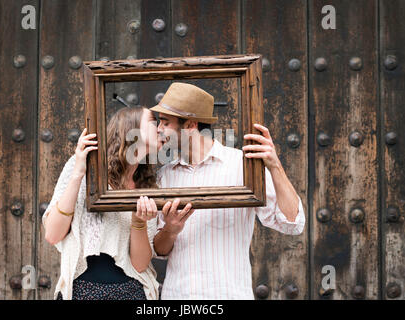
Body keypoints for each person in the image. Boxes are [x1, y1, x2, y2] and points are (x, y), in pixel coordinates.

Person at [151, 82, 306, 299]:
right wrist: (170, 229)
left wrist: (274, 165)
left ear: (190, 125)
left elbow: (293, 223)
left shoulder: (243, 166)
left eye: (165, 122)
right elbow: (159, 250)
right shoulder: (164, 175)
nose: (158, 129)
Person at [42, 106, 174, 300]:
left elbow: (139, 264)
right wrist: (78, 174)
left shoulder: (148, 185)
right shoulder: (85, 168)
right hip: (82, 292)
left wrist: (139, 222)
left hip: (132, 293)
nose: (160, 129)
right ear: (132, 129)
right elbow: (53, 235)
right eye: (153, 122)